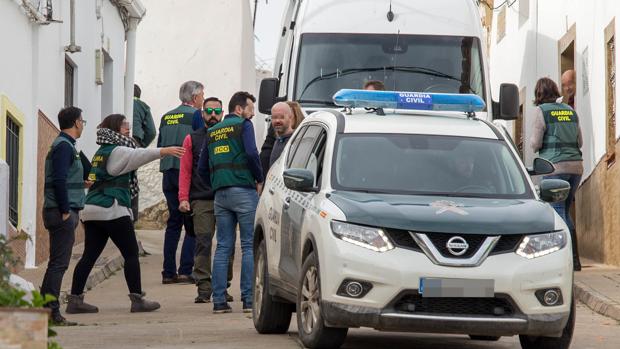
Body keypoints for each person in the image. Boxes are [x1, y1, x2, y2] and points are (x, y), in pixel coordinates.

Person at [67, 114, 185, 314]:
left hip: (92, 208)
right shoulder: (119, 150)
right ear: (115, 129)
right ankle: (137, 299)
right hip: (112, 207)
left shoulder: (101, 151)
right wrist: (164, 151)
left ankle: (75, 300)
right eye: (124, 126)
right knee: (131, 254)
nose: (128, 129)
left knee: (89, 255)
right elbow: (138, 156)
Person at [197, 91, 264, 314]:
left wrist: (216, 183)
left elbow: (201, 168)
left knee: (223, 247)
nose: (252, 115)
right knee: (248, 246)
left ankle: (219, 302)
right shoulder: (243, 126)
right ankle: (248, 299)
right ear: (239, 109)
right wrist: (259, 178)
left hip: (220, 195)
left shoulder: (212, 131)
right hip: (244, 191)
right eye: (250, 110)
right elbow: (253, 154)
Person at [178, 97, 234, 303]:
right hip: (201, 199)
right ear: (202, 114)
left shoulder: (230, 136)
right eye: (208, 111)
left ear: (222, 113)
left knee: (226, 244)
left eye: (216, 111)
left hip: (226, 196)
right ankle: (203, 287)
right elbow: (184, 171)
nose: (213, 115)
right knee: (202, 242)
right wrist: (183, 198)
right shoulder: (192, 139)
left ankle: (223, 286)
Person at [41, 106, 90, 326]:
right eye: (82, 121)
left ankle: (46, 310)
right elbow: (59, 179)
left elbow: (65, 177)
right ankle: (51, 312)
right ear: (76, 122)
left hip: (63, 209)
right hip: (62, 211)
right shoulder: (63, 146)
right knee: (58, 264)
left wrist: (82, 183)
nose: (83, 125)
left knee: (56, 263)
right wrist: (63, 210)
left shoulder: (66, 145)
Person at [530, 77, 583, 271]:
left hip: (555, 168)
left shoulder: (541, 111)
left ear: (538, 94)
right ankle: (575, 259)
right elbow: (580, 141)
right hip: (576, 167)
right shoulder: (570, 110)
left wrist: (537, 145)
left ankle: (567, 259)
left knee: (558, 213)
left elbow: (535, 143)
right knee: (565, 211)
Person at [158, 81, 204, 284]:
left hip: (167, 172)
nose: (203, 99)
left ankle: (168, 272)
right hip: (186, 173)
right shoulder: (196, 115)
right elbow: (200, 141)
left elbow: (160, 145)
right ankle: (185, 270)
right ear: (195, 98)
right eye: (202, 95)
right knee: (191, 223)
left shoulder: (166, 116)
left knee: (174, 223)